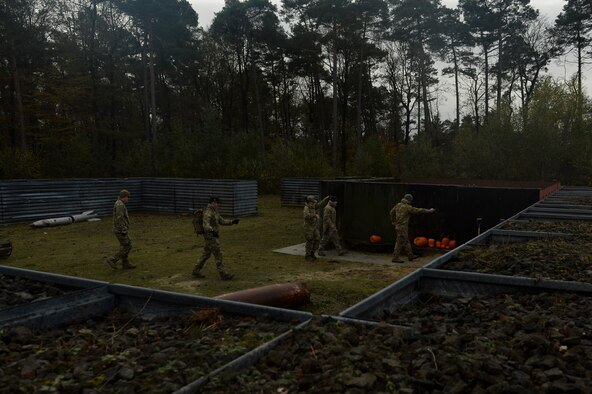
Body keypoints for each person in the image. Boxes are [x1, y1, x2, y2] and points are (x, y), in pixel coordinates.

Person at [192, 197, 239, 280]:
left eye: (217, 203)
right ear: (212, 203)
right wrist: (212, 231)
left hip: (212, 236)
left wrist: (232, 222)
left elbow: (222, 221)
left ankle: (195, 271)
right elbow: (205, 225)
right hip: (211, 237)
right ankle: (223, 274)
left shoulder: (215, 211)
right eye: (216, 203)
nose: (217, 205)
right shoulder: (208, 212)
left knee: (206, 254)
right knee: (218, 255)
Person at [389, 193, 435, 263]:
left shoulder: (398, 205)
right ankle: (397, 258)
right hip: (403, 227)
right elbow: (418, 210)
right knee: (404, 242)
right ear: (409, 200)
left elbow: (391, 212)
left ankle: (410, 256)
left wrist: (393, 221)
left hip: (398, 226)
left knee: (401, 241)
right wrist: (429, 211)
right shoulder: (407, 207)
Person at [105, 189, 136, 270]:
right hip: (120, 230)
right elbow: (119, 218)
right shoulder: (120, 205)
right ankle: (113, 259)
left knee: (125, 245)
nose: (128, 199)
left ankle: (125, 263)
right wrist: (123, 229)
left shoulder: (119, 203)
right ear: (124, 197)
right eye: (127, 197)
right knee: (127, 245)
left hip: (119, 229)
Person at [303, 194, 330, 261]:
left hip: (314, 227)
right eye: (312, 203)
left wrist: (326, 199)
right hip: (308, 227)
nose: (314, 204)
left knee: (318, 239)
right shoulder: (306, 208)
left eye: (314, 203)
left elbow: (320, 204)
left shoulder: (313, 206)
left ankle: (312, 252)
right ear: (309, 202)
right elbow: (306, 216)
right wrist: (314, 215)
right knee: (310, 241)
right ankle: (308, 255)